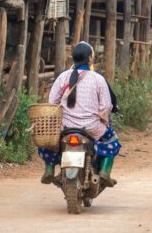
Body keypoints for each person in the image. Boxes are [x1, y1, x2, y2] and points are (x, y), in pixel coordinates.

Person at [38, 41, 121, 187]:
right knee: (112, 140)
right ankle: (105, 171)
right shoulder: (97, 79)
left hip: (65, 128)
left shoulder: (63, 77)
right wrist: (103, 119)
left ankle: (49, 169)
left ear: (74, 58)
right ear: (90, 59)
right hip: (91, 128)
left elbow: (52, 102)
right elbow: (106, 106)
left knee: (47, 141)